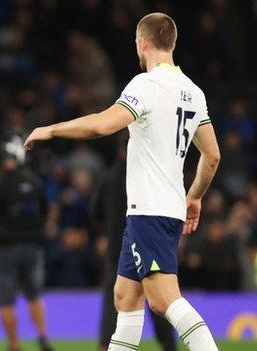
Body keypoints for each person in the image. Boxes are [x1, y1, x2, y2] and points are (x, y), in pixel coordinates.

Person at [24, 13, 221, 351]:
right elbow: (212, 155)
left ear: (142, 42)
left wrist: (52, 129)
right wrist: (195, 196)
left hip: (150, 210)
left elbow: (102, 125)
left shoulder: (145, 85)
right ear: (172, 43)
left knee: (163, 301)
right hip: (161, 209)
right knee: (125, 297)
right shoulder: (193, 91)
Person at [0, 135, 54, 351]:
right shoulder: (34, 181)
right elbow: (46, 211)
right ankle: (43, 337)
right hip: (33, 247)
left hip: (6, 247)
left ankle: (14, 344)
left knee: (5, 300)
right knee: (34, 295)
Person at [92, 138, 177, 351]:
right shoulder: (149, 175)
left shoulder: (108, 178)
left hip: (116, 250)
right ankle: (169, 346)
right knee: (158, 299)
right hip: (148, 245)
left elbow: (94, 212)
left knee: (115, 304)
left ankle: (105, 345)